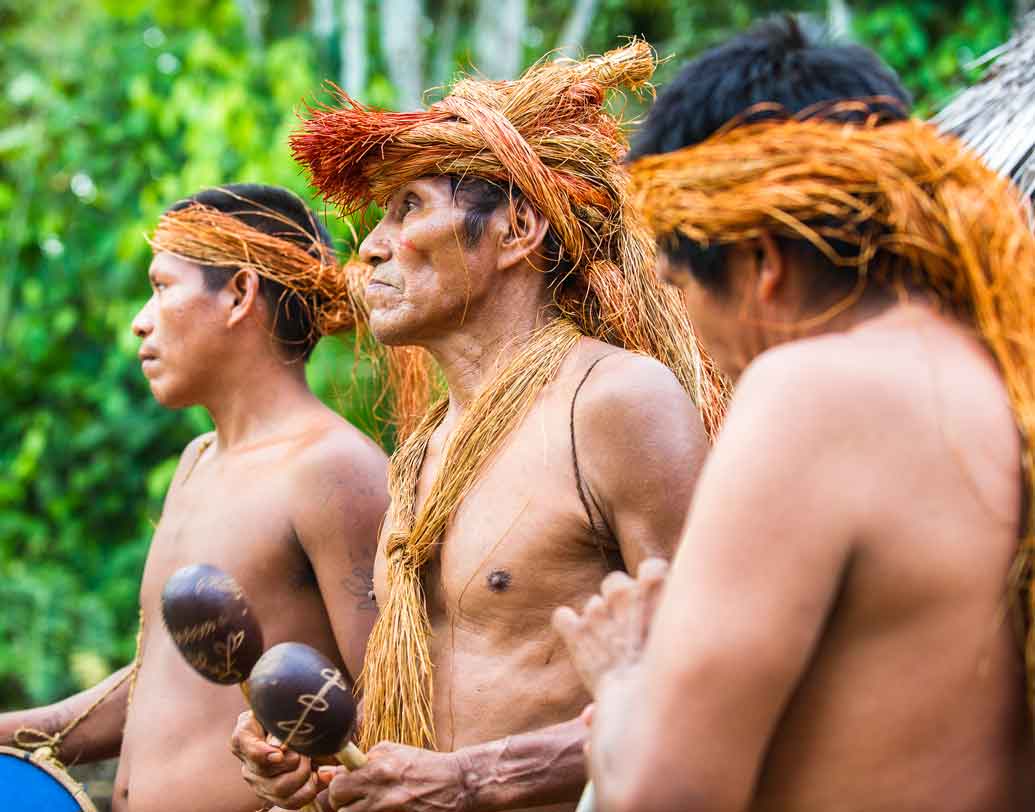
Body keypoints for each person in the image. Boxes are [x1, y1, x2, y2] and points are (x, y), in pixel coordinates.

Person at [553, 17, 1035, 812]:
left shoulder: (815, 391)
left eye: (679, 289)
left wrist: (625, 674)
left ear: (761, 264)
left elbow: (662, 796)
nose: (699, 342)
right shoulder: (1002, 372)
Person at [232, 42, 725, 812]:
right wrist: (324, 759)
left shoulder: (610, 402)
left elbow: (712, 685)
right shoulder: (424, 450)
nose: (372, 246)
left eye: (410, 208)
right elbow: (450, 714)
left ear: (516, 229)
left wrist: (468, 782)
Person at [0, 183, 390, 812]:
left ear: (239, 294)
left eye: (160, 286)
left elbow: (395, 706)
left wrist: (310, 785)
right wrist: (19, 732)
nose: (140, 320)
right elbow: (170, 683)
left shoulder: (334, 469)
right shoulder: (197, 461)